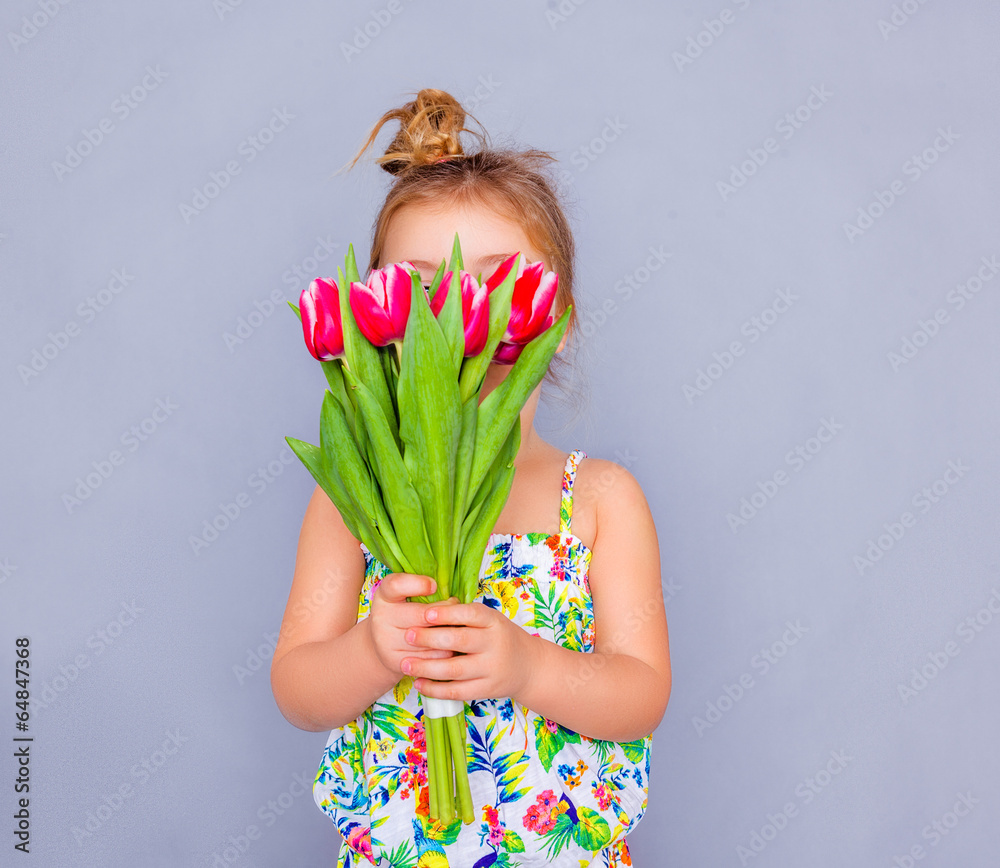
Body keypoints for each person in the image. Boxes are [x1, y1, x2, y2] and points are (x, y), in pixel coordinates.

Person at [271, 88, 671, 868]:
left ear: (559, 320)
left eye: (498, 281)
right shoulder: (353, 498)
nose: (457, 315)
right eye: (421, 290)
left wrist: (530, 666)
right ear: (372, 324)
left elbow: (641, 694)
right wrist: (371, 652)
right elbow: (298, 688)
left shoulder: (599, 501)